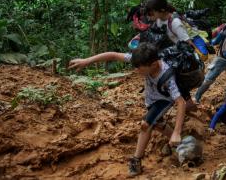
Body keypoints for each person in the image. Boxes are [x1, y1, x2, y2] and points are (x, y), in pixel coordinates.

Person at [68, 43, 186, 177]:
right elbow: (113, 55)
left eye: (138, 68)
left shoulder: (167, 76)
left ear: (153, 64)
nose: (136, 70)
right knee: (157, 124)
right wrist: (87, 61)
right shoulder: (142, 59)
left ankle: (136, 161)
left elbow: (180, 102)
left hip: (163, 100)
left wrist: (177, 131)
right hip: (151, 99)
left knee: (145, 125)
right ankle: (182, 145)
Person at [144, 0, 209, 61]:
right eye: (147, 13)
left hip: (191, 41)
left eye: (151, 13)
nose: (148, 17)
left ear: (162, 9)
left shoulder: (175, 23)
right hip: (176, 45)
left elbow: (188, 43)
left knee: (201, 57)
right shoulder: (158, 20)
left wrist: (197, 57)